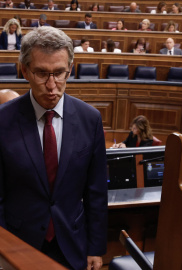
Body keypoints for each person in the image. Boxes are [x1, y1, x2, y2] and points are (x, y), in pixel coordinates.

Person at [0, 26, 107, 270]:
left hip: (73, 244)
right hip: (18, 245)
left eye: (59, 73)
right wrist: (4, 251)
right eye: (42, 73)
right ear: (24, 71)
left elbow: (96, 192)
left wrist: (96, 248)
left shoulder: (90, 119)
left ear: (70, 69)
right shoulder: (2, 121)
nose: (52, 85)